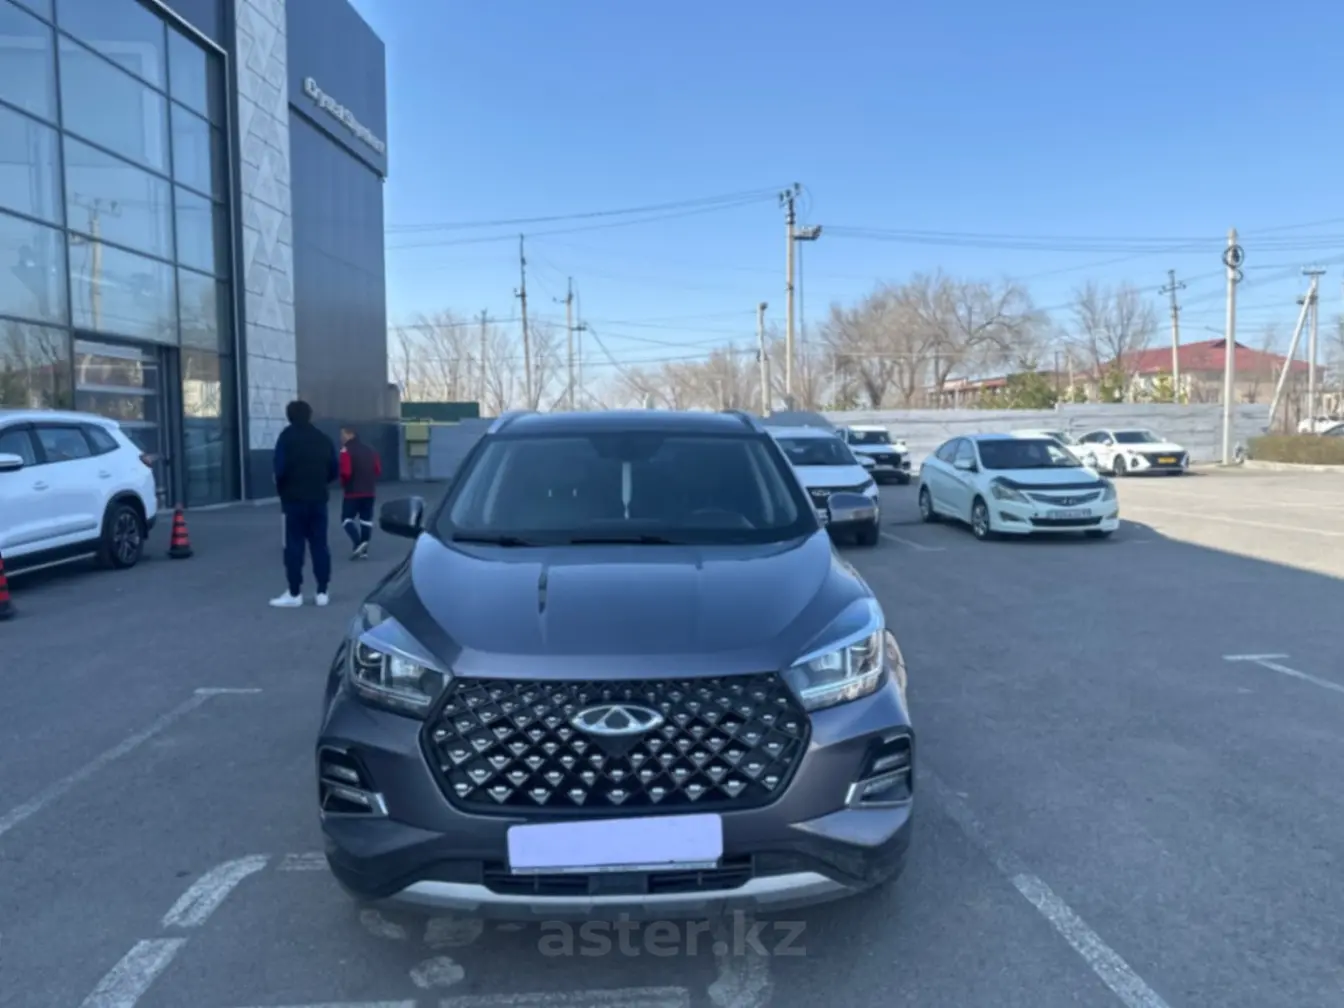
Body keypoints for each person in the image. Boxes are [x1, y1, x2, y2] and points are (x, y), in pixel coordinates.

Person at [270, 400, 338, 608]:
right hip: (318, 499)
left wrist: (282, 489)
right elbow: (334, 470)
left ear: (289, 416)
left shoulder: (286, 437)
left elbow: (279, 469)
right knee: (320, 545)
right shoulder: (323, 438)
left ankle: (294, 592)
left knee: (293, 546)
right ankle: (322, 591)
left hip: (293, 501)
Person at [338, 425, 382, 559]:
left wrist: (343, 483)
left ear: (350, 435)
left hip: (352, 492)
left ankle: (358, 543)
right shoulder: (371, 450)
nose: (341, 438)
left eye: (343, 435)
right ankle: (364, 550)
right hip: (369, 491)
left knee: (346, 519)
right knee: (366, 520)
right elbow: (378, 470)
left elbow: (346, 472)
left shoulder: (345, 451)